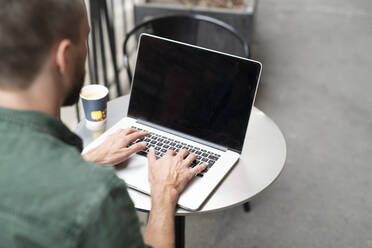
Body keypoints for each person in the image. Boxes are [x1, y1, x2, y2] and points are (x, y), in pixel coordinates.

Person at [0, 0, 207, 247]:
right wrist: (164, 194)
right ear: (63, 57)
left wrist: (86, 159)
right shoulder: (96, 197)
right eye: (85, 38)